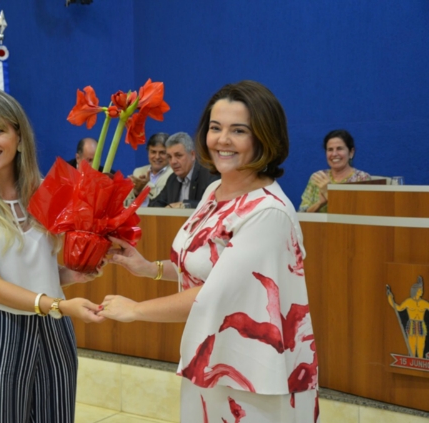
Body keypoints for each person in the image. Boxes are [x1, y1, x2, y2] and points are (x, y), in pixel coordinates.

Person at [99, 81, 319, 423]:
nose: (222, 140)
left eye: (239, 130)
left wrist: (136, 310)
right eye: (215, 128)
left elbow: (218, 294)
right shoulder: (216, 190)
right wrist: (149, 269)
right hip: (210, 360)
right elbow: (212, 267)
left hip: (252, 378)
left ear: (264, 137)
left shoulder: (267, 212)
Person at [0, 88, 104, 423]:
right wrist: (58, 305)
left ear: (19, 135)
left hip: (54, 330)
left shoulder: (45, 189)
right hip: (0, 328)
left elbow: (37, 272)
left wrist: (75, 273)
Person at [298, 129, 371, 213]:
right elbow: (302, 214)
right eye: (330, 150)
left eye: (339, 149)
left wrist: (329, 193)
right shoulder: (318, 177)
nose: (334, 154)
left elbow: (363, 215)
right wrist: (319, 203)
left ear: (351, 152)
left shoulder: (362, 179)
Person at [148, 132, 219, 208]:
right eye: (169, 157)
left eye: (178, 155)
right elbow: (154, 205)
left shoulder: (209, 174)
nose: (173, 162)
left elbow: (215, 204)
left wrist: (185, 205)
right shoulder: (172, 179)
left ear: (192, 155)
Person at [124, 132, 173, 207]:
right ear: (148, 152)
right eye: (153, 152)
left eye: (162, 153)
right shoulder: (138, 172)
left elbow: (164, 203)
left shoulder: (173, 174)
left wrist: (147, 186)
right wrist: (136, 192)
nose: (157, 157)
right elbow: (125, 204)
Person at [387, 277, 429, 359]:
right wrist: (390, 298)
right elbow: (398, 308)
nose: (422, 291)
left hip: (421, 324)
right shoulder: (408, 302)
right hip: (412, 324)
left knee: (421, 345)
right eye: (420, 290)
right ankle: (412, 360)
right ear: (415, 291)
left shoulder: (424, 303)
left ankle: (420, 360)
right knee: (412, 345)